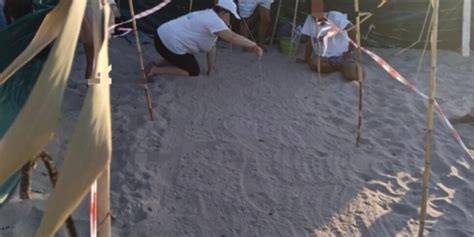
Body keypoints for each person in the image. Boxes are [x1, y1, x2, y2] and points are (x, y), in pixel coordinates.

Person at [146, 0, 263, 78]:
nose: (230, 19)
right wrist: (254, 45)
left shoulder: (208, 14)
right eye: (230, 15)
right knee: (193, 71)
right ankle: (155, 70)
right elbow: (232, 37)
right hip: (167, 42)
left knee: (182, 56)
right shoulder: (214, 21)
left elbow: (211, 47)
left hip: (161, 36)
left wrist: (210, 69)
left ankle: (156, 64)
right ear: (223, 12)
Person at [297, 0, 359, 81]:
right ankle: (337, 67)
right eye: (314, 15)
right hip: (324, 58)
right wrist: (306, 59)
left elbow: (353, 30)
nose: (317, 18)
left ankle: (342, 65)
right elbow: (309, 41)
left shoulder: (335, 16)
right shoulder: (309, 20)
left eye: (319, 14)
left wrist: (349, 51)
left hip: (341, 55)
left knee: (352, 75)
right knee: (314, 64)